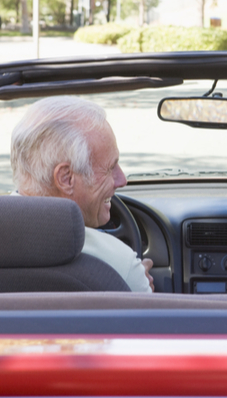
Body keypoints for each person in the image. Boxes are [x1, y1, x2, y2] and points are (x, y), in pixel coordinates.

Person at [10, 96, 154, 292]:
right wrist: (140, 284)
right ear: (66, 178)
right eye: (110, 167)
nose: (122, 180)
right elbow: (146, 321)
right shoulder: (120, 265)